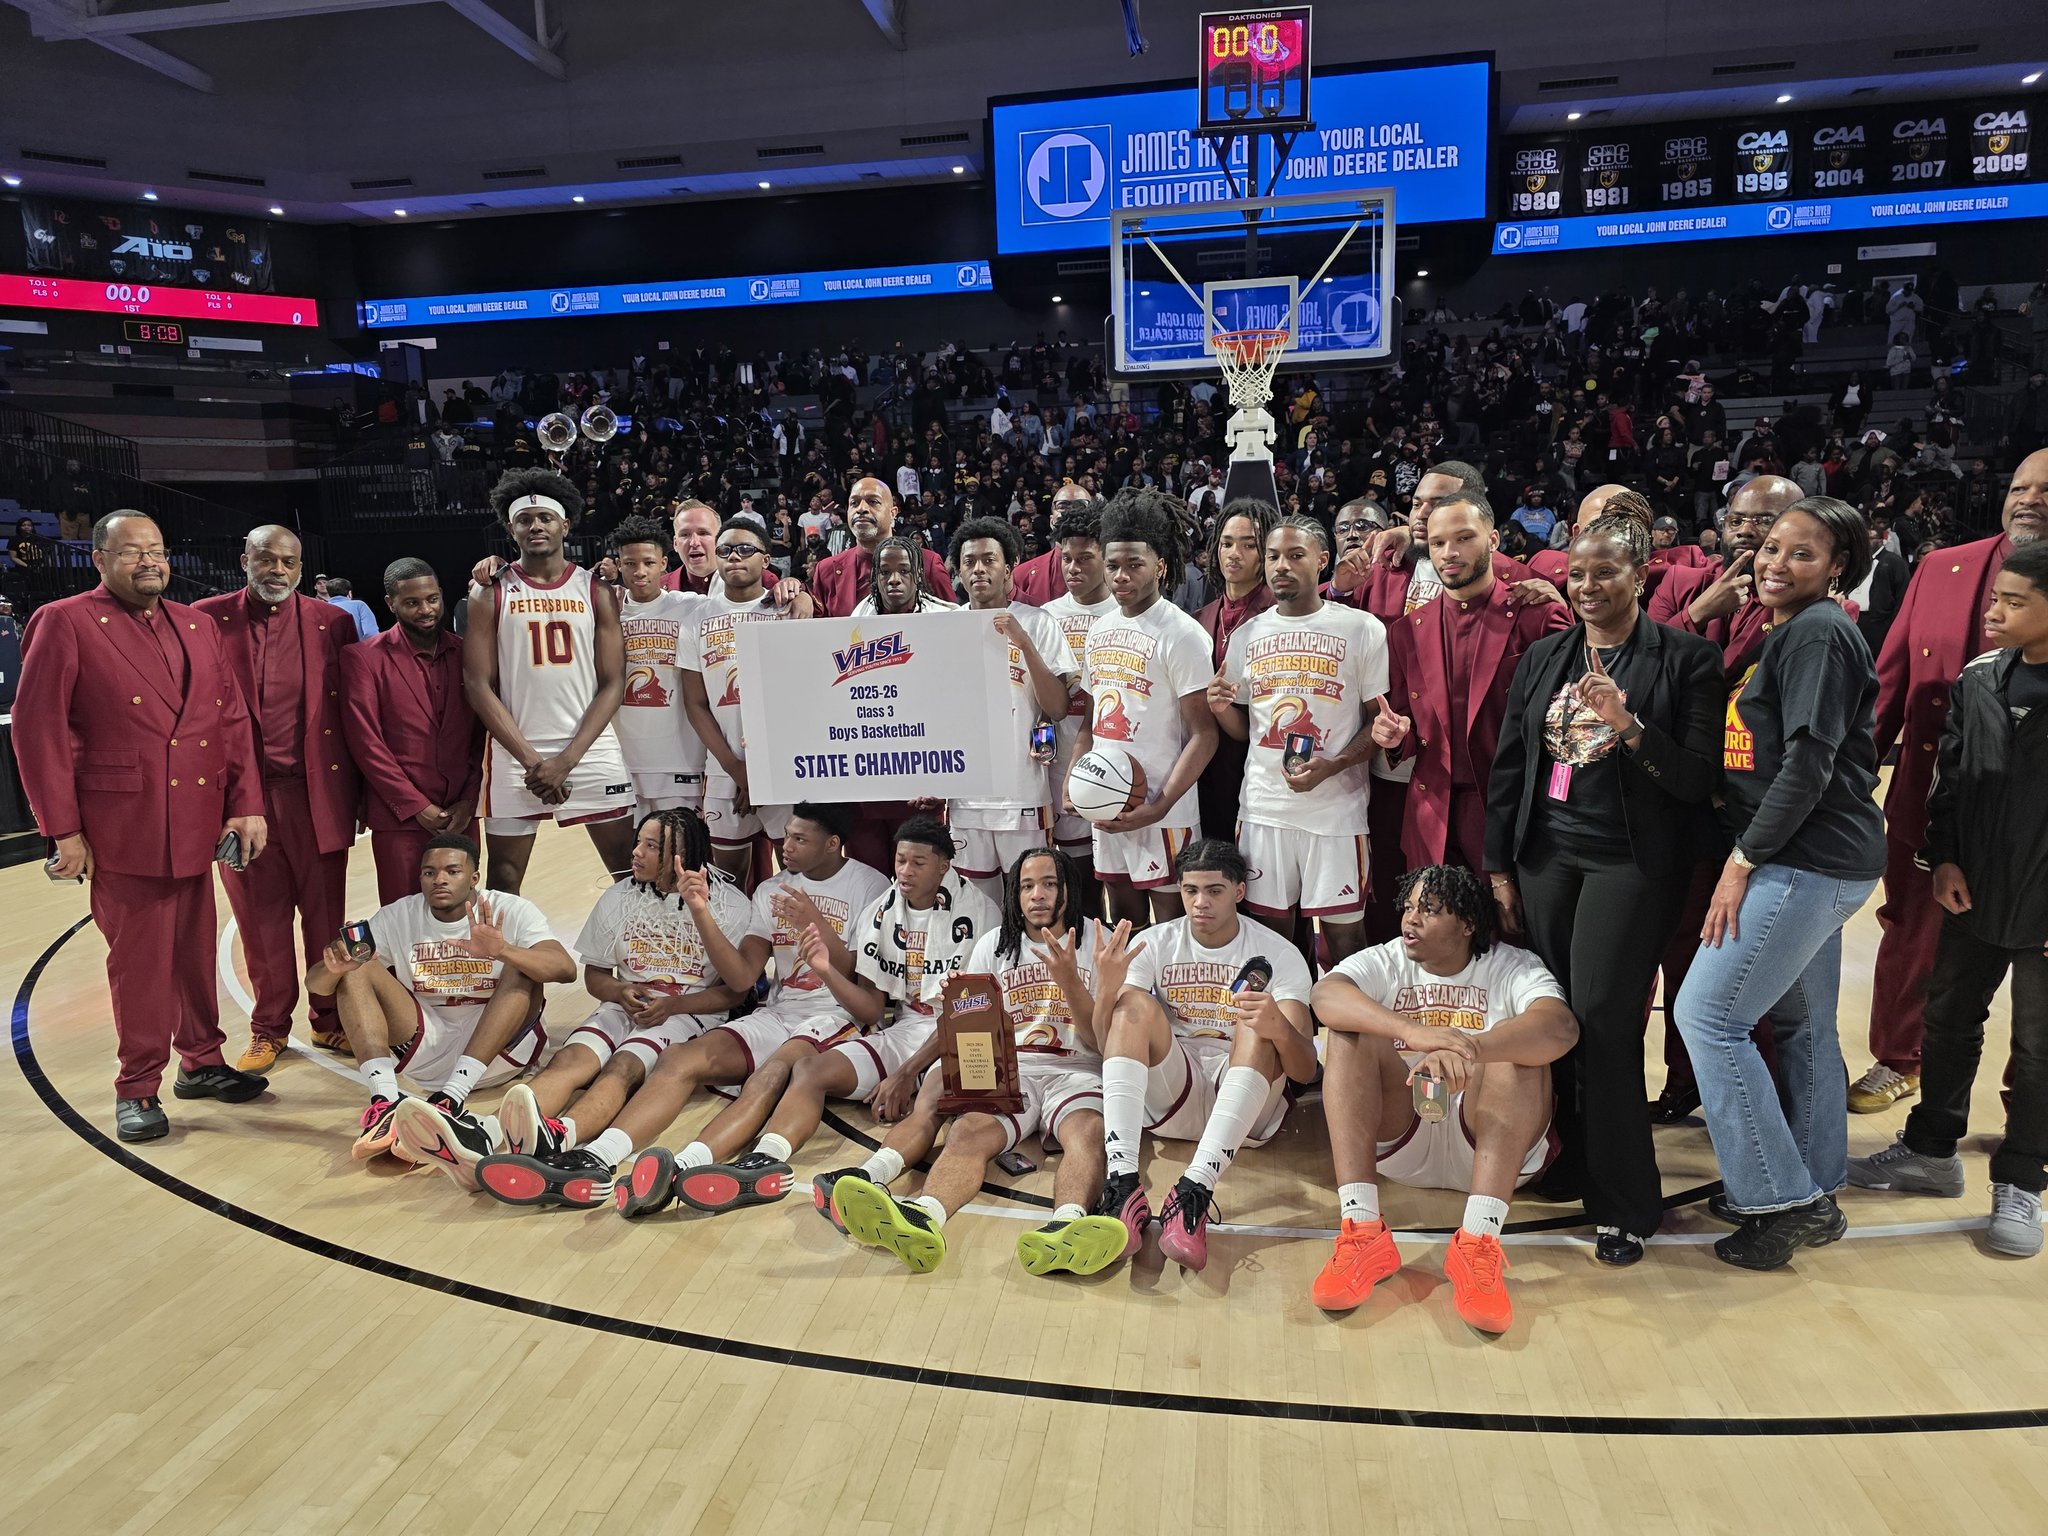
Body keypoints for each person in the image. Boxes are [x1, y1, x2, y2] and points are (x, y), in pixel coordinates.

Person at [1484, 508, 1723, 1263]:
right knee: (1556, 1021)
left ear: (1641, 575)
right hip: (1547, 858)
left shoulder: (1686, 661)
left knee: (1606, 1026)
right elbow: (1513, 765)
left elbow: (1696, 781)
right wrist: (1499, 864)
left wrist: (1629, 727)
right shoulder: (1545, 657)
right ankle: (1579, 1161)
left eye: (1606, 572)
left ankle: (1626, 1203)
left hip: (1630, 864)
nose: (1588, 586)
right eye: (1577, 574)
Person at [1678, 495, 1886, 1270]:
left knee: (1708, 1017)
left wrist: (1742, 861)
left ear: (1838, 568)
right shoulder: (1791, 632)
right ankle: (1812, 1182)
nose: (1774, 561)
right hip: (1819, 857)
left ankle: (1780, 1200)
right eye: (1770, 547)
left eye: (1802, 553)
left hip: (1806, 859)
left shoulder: (1820, 633)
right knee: (1802, 1026)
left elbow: (1810, 764)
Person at [16, 512, 271, 1141]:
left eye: (156, 550)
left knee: (191, 952)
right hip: (123, 823)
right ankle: (137, 1087)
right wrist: (62, 830)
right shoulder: (65, 620)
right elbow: (37, 730)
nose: (149, 561)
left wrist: (246, 803)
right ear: (99, 559)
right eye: (131, 552)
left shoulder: (195, 623)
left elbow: (230, 721)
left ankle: (202, 1062)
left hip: (197, 817)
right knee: (140, 966)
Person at [617, 815, 990, 1216]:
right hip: (888, 1026)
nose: (905, 871)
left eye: (918, 862)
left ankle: (856, 1177)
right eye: (900, 860)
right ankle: (703, 1165)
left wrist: (903, 1073)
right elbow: (869, 1005)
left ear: (944, 866)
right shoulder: (882, 909)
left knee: (919, 1102)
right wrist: (824, 968)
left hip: (956, 1037)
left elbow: (971, 1015)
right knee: (803, 1071)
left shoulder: (976, 912)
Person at [1848, 541, 2048, 1257]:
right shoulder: (1980, 678)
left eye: (2013, 602)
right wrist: (1945, 858)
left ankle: (2022, 1180)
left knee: (2038, 1044)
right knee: (1949, 1018)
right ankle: (1932, 1151)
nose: (1992, 612)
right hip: (1973, 885)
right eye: (1996, 597)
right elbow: (1951, 782)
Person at [827, 848, 1128, 1275]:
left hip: (1077, 1068)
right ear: (1014, 894)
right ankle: (923, 1217)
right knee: (966, 1132)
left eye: (1048, 884)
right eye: (1026, 886)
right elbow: (967, 1023)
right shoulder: (995, 945)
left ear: (1069, 889)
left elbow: (1103, 1042)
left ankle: (1066, 1228)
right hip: (1013, 1069)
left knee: (1089, 1133)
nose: (1037, 895)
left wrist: (1069, 983)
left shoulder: (1099, 943)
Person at [1856, 450, 2048, 1113]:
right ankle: (1897, 1059)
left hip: (2036, 815)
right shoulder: (1942, 566)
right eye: (2020, 485)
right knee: (1909, 931)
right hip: (1932, 796)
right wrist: (1852, 778)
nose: (2030, 497)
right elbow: (1889, 683)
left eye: (2047, 489)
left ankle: (2031, 1094)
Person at [570, 804, 887, 1202]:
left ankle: (688, 1165)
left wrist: (813, 922)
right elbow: (740, 978)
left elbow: (859, 976)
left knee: (770, 1074)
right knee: (680, 1059)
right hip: (778, 1012)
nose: (785, 846)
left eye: (799, 839)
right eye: (786, 835)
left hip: (836, 1013)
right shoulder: (771, 889)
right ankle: (599, 1156)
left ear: (832, 845)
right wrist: (700, 910)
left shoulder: (869, 885)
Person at [1310, 865, 1578, 1332]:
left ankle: (1478, 1242)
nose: (1410, 920)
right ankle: (1363, 1231)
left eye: (1429, 911)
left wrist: (1471, 1047)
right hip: (1402, 1136)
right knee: (1346, 1032)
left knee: (1520, 1052)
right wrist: (1415, 1034)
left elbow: (1561, 1027)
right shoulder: (1388, 959)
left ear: (1468, 924)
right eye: (1409, 907)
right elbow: (1325, 995)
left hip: (1490, 1141)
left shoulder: (1512, 965)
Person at [472, 809, 753, 1208]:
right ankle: (487, 1133)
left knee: (622, 1066)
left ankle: (561, 1137)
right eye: (638, 841)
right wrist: (619, 991)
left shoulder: (729, 905)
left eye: (650, 846)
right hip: (626, 1004)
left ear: (681, 854)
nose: (634, 852)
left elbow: (733, 993)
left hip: (687, 1012)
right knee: (570, 1060)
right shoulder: (620, 896)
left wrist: (674, 1003)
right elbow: (595, 977)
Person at [1088, 839, 1317, 1270]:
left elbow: (1304, 1070)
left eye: (1214, 890)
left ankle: (1195, 1189)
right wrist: (1105, 988)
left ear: (1239, 892)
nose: (1200, 902)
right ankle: (1121, 1185)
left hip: (1244, 1111)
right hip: (1175, 1094)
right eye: (1191, 890)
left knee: (1256, 1020)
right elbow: (1108, 1044)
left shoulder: (1280, 954)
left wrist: (1279, 1030)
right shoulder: (1153, 943)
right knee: (1132, 1005)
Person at [307, 833, 571, 1179]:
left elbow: (565, 969)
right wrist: (334, 967)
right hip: (425, 1048)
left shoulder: (509, 909)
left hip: (499, 1052)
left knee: (524, 966)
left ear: (474, 878)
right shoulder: (399, 915)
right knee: (358, 966)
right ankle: (385, 1102)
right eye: (429, 873)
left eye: (452, 871)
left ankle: (452, 1099)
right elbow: (316, 985)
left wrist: (502, 950)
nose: (440, 880)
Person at [196, 525, 362, 1070]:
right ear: (244, 559)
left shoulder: (332, 623)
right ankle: (268, 1027)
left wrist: (357, 797)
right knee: (259, 920)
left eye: (288, 562)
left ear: (300, 565)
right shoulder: (206, 619)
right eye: (267, 560)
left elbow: (351, 715)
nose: (278, 571)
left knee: (324, 919)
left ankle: (329, 1021)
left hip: (316, 794)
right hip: (239, 803)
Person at [1212, 517, 1389, 967]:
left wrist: (1332, 766)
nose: (1281, 566)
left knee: (1347, 943)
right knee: (1274, 944)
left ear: (1322, 560)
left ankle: (1349, 1035)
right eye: (1273, 557)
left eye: (1295, 555)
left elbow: (1376, 724)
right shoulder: (1246, 636)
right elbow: (1242, 732)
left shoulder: (1362, 629)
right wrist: (1219, 709)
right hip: (1264, 811)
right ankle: (1291, 1034)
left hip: (1336, 813)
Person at [1372, 490, 1573, 883]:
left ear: (1493, 540)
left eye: (1464, 538)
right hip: (1430, 816)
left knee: (1512, 942)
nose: (1449, 552)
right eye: (1437, 543)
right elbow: (1408, 727)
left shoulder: (1538, 615)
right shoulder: (1406, 632)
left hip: (1512, 815)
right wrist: (1394, 737)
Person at [463, 469, 636, 895]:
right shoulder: (489, 592)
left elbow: (614, 682)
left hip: (591, 749)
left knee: (628, 872)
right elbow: (477, 684)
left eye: (544, 518)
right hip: (514, 750)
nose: (535, 526)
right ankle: (507, 963)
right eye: (524, 519)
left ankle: (633, 961)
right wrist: (532, 762)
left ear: (565, 524)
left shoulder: (596, 589)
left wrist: (566, 761)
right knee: (503, 878)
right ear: (510, 528)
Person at [1070, 489, 1218, 928]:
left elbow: (1204, 735)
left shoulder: (1182, 634)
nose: (1120, 576)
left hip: (1161, 805)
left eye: (1134, 564)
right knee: (1124, 918)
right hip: (1106, 797)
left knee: (1172, 921)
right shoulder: (1100, 630)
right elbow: (1090, 719)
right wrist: (1077, 773)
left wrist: (1161, 804)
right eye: (1113, 565)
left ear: (1161, 565)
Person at [679, 514, 817, 886]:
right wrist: (740, 773)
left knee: (797, 875)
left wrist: (764, 772)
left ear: (766, 560)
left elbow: (806, 697)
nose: (734, 557)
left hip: (786, 766)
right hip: (726, 768)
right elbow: (695, 704)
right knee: (728, 880)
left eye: (745, 549)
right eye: (724, 550)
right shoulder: (696, 619)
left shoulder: (788, 609)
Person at [340, 558, 486, 906]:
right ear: (390, 603)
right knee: (401, 921)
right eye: (412, 602)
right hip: (400, 817)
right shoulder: (363, 658)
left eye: (433, 599)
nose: (426, 610)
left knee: (461, 918)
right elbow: (366, 743)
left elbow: (481, 734)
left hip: (460, 814)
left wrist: (468, 800)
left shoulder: (469, 653)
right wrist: (415, 804)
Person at [944, 517, 1075, 899]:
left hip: (1023, 793)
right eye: (969, 562)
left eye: (989, 559)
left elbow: (1059, 707)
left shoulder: (1038, 622)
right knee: (978, 904)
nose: (979, 569)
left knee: (1031, 903)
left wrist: (1023, 642)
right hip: (966, 799)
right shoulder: (944, 627)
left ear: (1009, 565)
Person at [1037, 502, 1116, 892]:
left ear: (1105, 555)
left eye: (1085, 558)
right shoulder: (1046, 616)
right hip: (1060, 761)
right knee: (1077, 881)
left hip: (1116, 761)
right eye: (1066, 558)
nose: (1074, 568)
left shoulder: (1124, 610)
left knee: (1119, 887)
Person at [609, 515, 708, 819]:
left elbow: (745, 603)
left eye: (649, 563)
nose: (640, 572)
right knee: (634, 859)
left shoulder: (692, 606)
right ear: (618, 564)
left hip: (680, 758)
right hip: (621, 760)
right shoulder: (605, 612)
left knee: (681, 853)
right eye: (630, 564)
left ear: (664, 563)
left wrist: (796, 592)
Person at [1192, 500, 1277, 840]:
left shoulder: (1279, 613)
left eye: (1249, 544)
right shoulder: (1200, 617)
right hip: (1207, 764)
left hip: (1259, 763)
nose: (1234, 553)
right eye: (1227, 543)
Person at [809, 476, 957, 617]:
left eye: (873, 502)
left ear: (893, 513)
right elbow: (820, 633)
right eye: (854, 503)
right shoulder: (826, 570)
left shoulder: (928, 562)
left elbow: (953, 625)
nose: (861, 509)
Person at [1011, 481, 1095, 605]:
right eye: (1062, 506)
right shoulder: (1021, 575)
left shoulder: (1110, 573)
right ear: (1051, 521)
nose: (1070, 512)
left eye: (1080, 506)